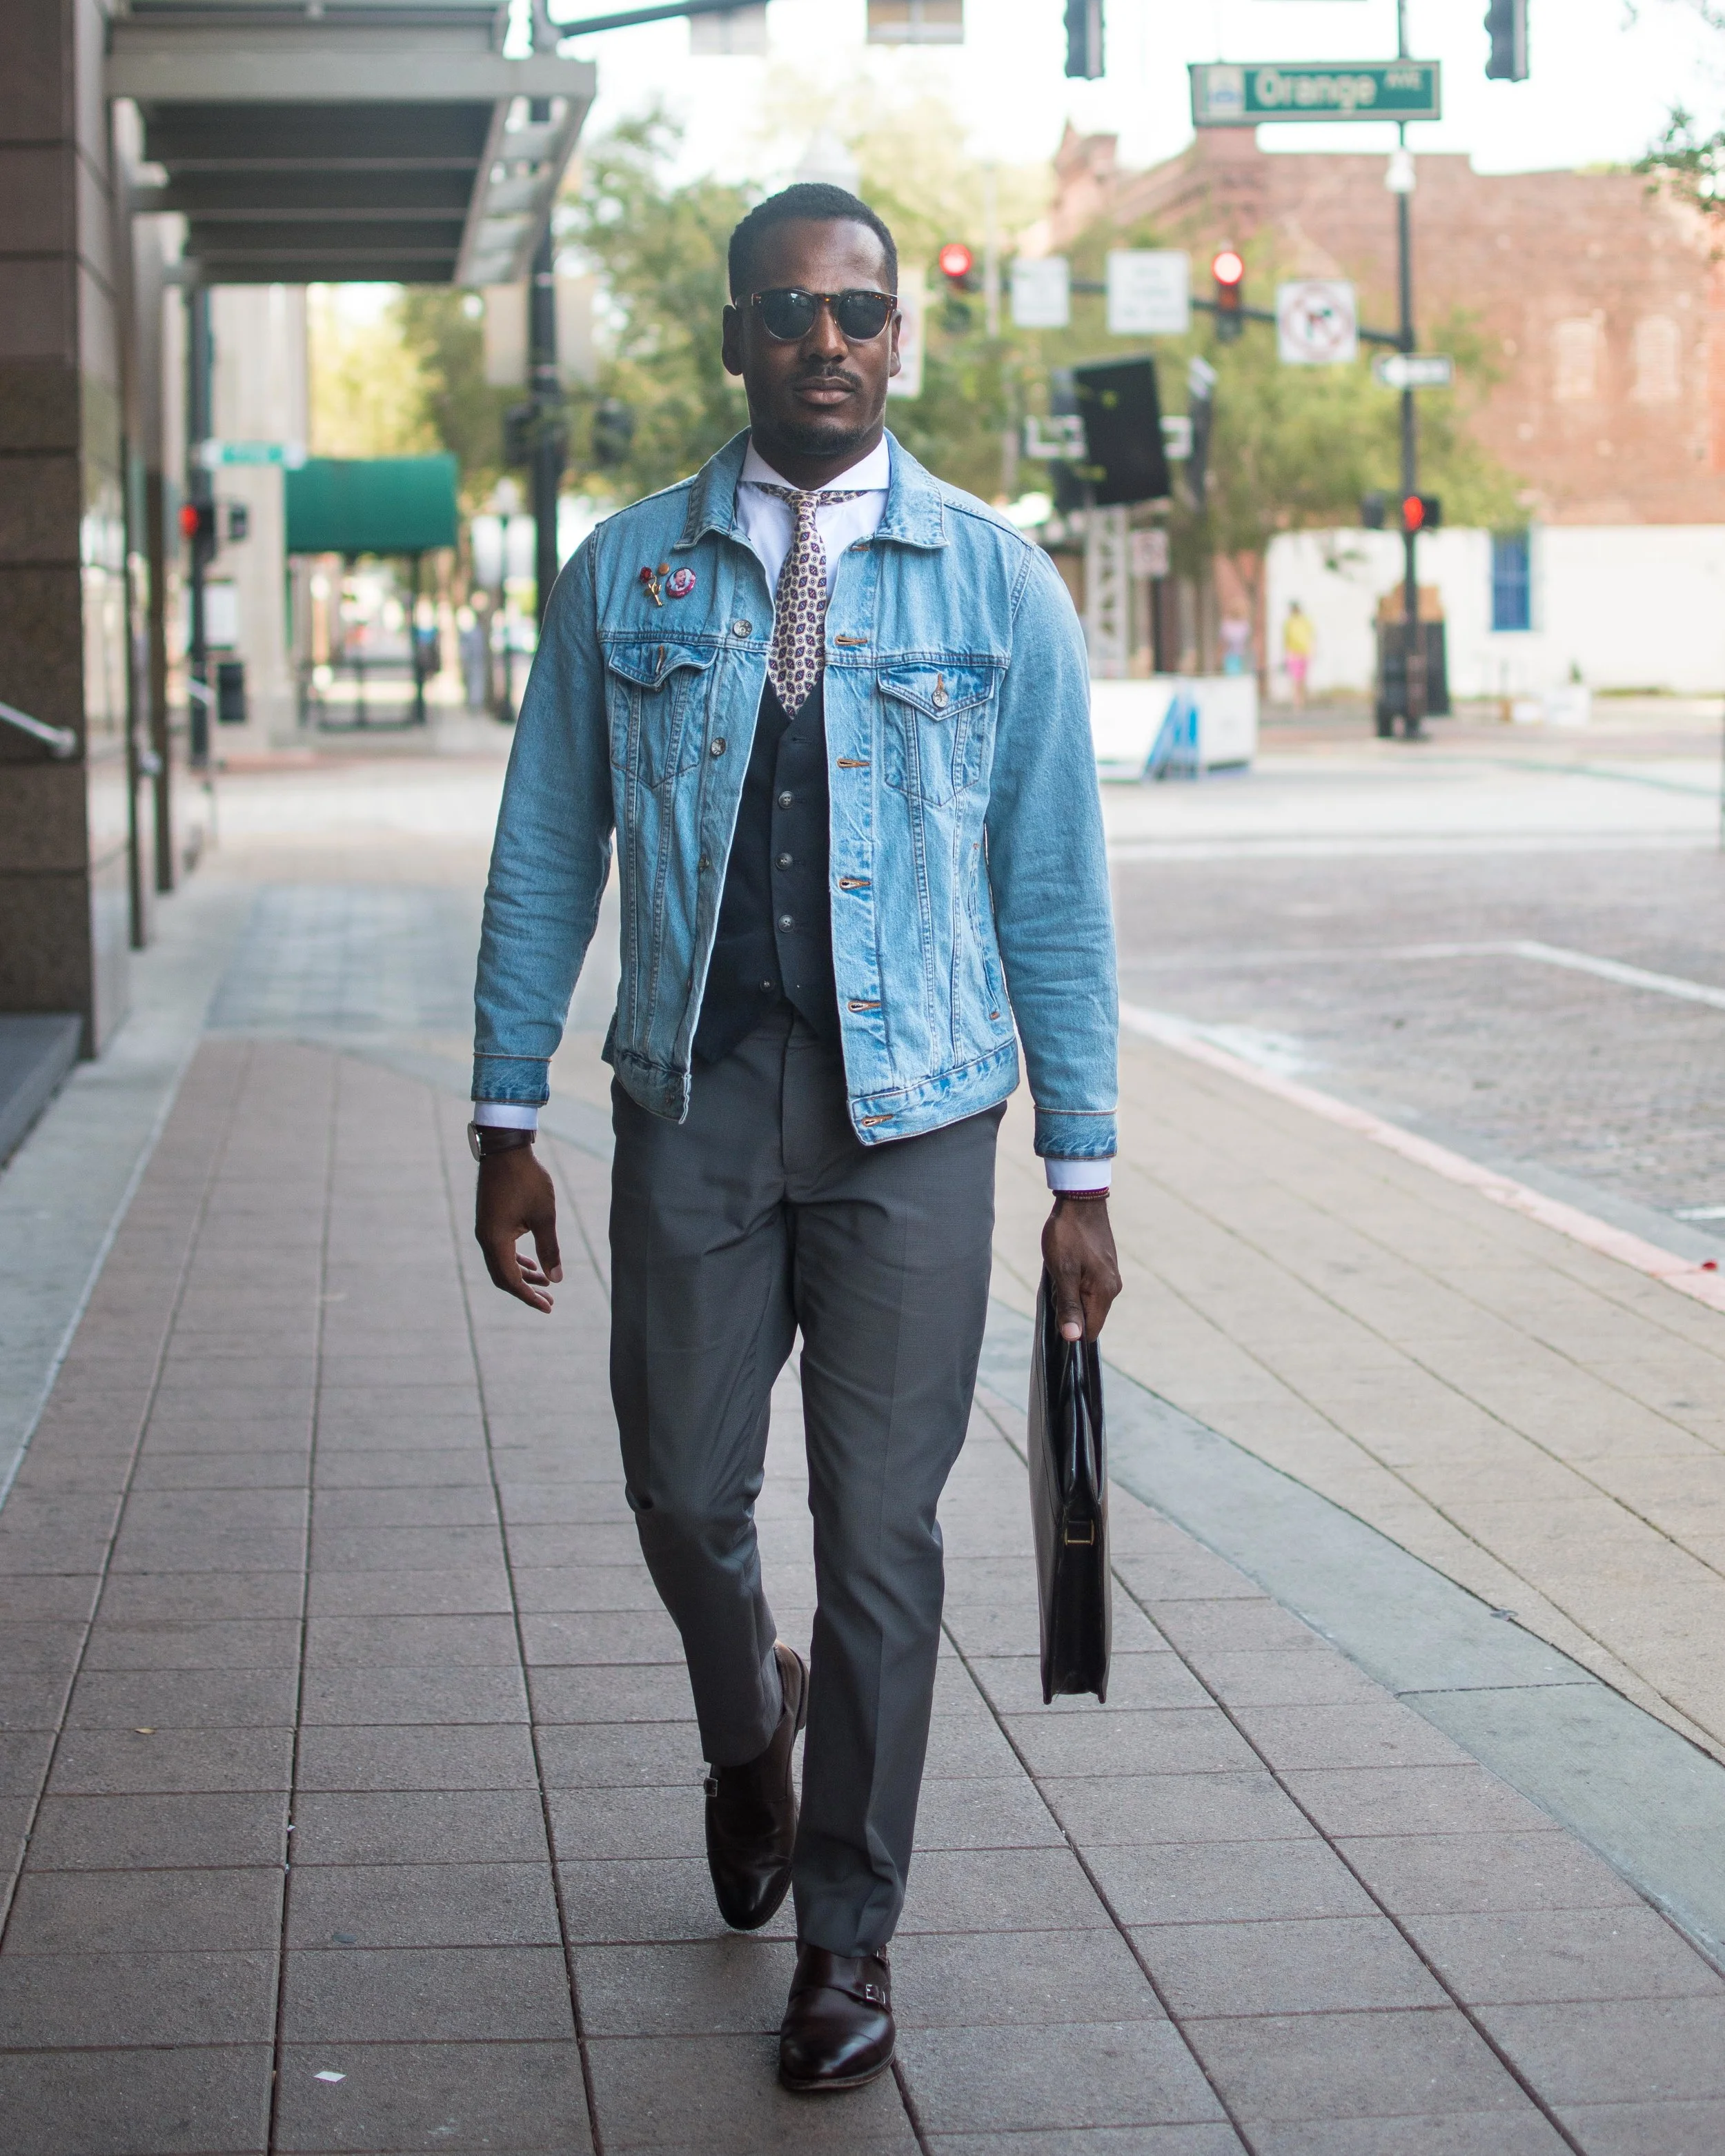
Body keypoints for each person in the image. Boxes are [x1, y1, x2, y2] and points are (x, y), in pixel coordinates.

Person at [469, 183, 1121, 2095]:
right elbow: (540, 852)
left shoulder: (994, 581)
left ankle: (847, 1931)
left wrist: (1081, 1171)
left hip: (916, 1113)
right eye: (786, 309)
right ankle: (747, 1730)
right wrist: (505, 1113)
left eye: (858, 310)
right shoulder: (629, 572)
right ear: (735, 337)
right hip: (691, 1091)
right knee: (681, 1491)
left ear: (896, 338)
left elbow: (1053, 891)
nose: (824, 340)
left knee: (883, 1534)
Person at [1281, 597, 1314, 708]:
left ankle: (1303, 699)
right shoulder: (1289, 622)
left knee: (1303, 678)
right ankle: (1297, 701)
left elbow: (1311, 636)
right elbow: (1286, 638)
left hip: (1304, 652)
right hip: (1293, 652)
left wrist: (1311, 650)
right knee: (1295, 678)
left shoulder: (1305, 621)